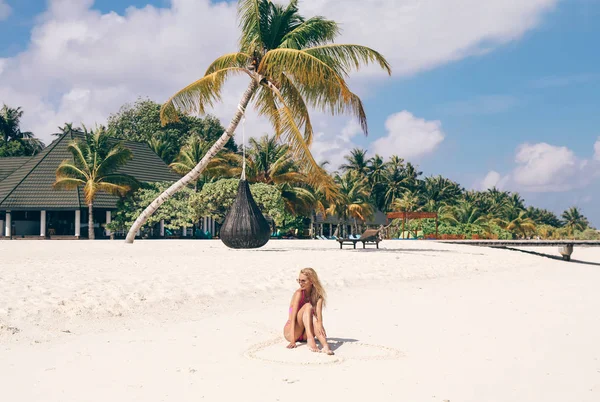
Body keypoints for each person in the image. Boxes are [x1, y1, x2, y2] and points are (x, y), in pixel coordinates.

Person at [283, 268, 334, 355]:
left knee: (314, 319)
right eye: (299, 280)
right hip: (293, 332)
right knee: (308, 306)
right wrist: (292, 341)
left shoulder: (318, 296)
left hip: (306, 332)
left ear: (311, 281)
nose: (300, 283)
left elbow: (319, 317)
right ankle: (310, 339)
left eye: (303, 281)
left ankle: (325, 346)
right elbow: (292, 318)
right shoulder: (299, 293)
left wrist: (320, 325)